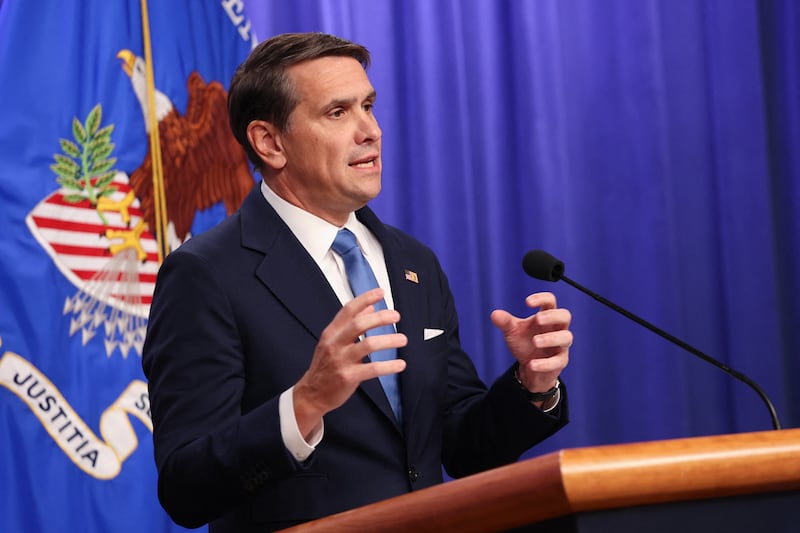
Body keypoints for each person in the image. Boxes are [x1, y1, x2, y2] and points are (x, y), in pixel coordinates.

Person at [142, 32, 572, 532]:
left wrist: (530, 386)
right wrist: (304, 404)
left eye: (368, 105)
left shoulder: (413, 262)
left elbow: (460, 446)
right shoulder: (206, 275)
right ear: (270, 142)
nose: (370, 130)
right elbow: (186, 487)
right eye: (338, 113)